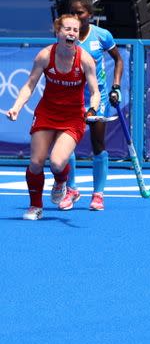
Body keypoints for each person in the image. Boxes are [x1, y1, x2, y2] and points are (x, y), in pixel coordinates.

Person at [5, 15, 100, 220]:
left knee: (57, 163)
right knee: (36, 162)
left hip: (73, 117)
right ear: (58, 32)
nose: (71, 33)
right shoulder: (45, 56)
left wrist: (92, 110)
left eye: (75, 30)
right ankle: (35, 207)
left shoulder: (85, 60)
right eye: (67, 29)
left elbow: (95, 91)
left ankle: (60, 181)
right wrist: (16, 107)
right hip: (47, 113)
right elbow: (30, 85)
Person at [59, 0, 124, 212]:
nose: (77, 17)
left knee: (98, 145)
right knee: (66, 147)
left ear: (90, 15)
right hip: (73, 99)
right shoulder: (67, 37)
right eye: (73, 13)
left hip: (99, 98)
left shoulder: (101, 35)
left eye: (81, 13)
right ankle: (72, 189)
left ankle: (98, 195)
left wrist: (116, 86)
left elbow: (118, 59)